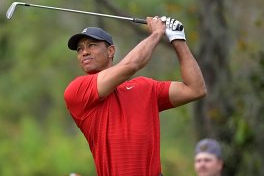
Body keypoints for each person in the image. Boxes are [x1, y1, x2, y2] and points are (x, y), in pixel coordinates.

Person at [64, 16, 207, 176]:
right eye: (79, 49)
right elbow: (131, 65)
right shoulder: (77, 90)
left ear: (111, 51)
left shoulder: (146, 87)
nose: (84, 52)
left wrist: (177, 39)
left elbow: (195, 89)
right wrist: (157, 33)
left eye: (92, 45)